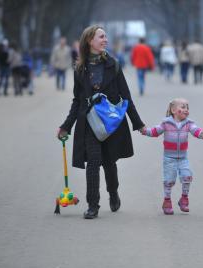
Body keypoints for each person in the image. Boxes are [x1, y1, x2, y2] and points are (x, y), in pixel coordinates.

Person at [57, 25, 145, 219]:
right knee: (93, 163)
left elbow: (126, 95)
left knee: (109, 163)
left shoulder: (113, 64)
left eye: (106, 37)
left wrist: (138, 123)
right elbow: (77, 100)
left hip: (110, 122)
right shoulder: (80, 68)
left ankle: (113, 192)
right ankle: (92, 205)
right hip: (89, 122)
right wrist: (66, 126)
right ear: (90, 41)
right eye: (101, 36)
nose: (105, 39)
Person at [140, 98, 203, 215]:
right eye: (183, 107)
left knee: (187, 176)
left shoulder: (188, 124)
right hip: (169, 158)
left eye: (187, 108)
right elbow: (155, 131)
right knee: (169, 180)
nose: (186, 110)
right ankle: (167, 201)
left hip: (183, 158)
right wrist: (145, 131)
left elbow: (196, 130)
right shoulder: (166, 123)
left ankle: (184, 199)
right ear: (174, 110)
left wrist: (202, 134)